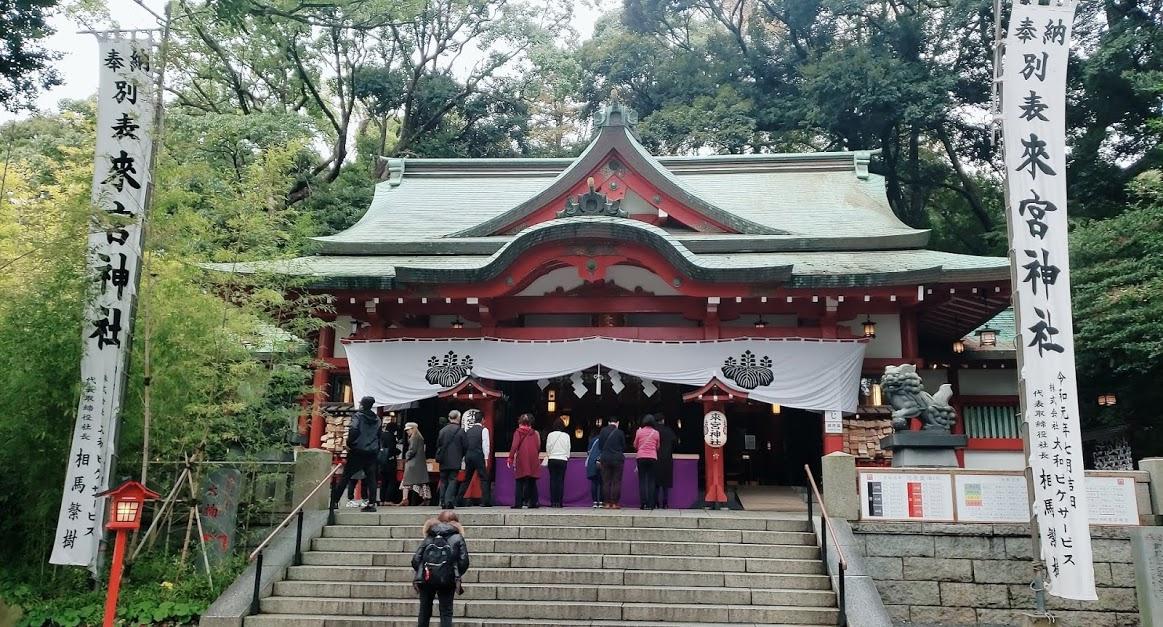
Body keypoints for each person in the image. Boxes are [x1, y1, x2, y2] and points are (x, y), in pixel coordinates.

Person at [412, 510, 470, 627]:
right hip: (447, 580)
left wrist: (424, 571)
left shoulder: (430, 535)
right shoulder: (457, 537)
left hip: (427, 578)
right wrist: (454, 572)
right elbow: (464, 561)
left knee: (424, 611)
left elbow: (416, 559)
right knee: (446, 612)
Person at [329, 396, 381, 513]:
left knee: (346, 476)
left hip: (357, 450)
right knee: (371, 478)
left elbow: (354, 430)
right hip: (372, 451)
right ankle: (371, 503)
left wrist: (350, 443)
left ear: (362, 404)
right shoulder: (377, 419)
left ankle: (335, 501)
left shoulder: (358, 416)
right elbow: (379, 434)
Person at [456, 409, 492, 507]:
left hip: (468, 456)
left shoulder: (468, 431)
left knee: (466, 478)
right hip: (478, 455)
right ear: (483, 420)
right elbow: (486, 445)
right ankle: (486, 501)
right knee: (484, 478)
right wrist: (486, 458)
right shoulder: (484, 430)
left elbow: (464, 444)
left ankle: (459, 500)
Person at [508, 413, 541, 508]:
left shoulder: (518, 432)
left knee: (519, 480)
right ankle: (534, 502)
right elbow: (538, 446)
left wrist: (510, 457)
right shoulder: (535, 433)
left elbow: (514, 445)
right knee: (532, 480)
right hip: (533, 457)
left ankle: (518, 503)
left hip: (522, 457)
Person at [436, 410, 466, 509]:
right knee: (452, 480)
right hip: (455, 459)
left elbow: (438, 445)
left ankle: (442, 501)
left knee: (443, 480)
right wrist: (461, 455)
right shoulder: (460, 431)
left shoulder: (442, 430)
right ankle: (449, 501)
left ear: (449, 418)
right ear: (459, 418)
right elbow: (466, 445)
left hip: (443, 459)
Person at [399, 422, 432, 506]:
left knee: (406, 481)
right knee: (422, 482)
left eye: (408, 430)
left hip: (413, 463)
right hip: (419, 463)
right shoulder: (420, 437)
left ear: (413, 429)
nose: (407, 431)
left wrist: (407, 456)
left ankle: (405, 499)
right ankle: (426, 498)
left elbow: (412, 450)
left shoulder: (414, 438)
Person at [596, 416, 625, 509]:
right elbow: (623, 446)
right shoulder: (620, 432)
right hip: (617, 459)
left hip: (605, 458)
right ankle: (615, 503)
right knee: (616, 481)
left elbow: (600, 446)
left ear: (609, 423)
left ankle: (607, 503)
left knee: (606, 481)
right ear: (617, 423)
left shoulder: (603, 431)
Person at [634, 414, 661, 510]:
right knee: (651, 481)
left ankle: (643, 503)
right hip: (652, 457)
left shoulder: (639, 432)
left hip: (641, 457)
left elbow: (635, 445)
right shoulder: (656, 433)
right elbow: (658, 446)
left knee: (642, 480)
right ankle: (651, 504)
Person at [654, 414, 679, 509]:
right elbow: (675, 442)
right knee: (665, 484)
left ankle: (655, 503)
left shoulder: (653, 431)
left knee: (655, 483)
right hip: (667, 458)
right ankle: (665, 503)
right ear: (663, 420)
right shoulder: (668, 430)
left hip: (655, 458)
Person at [378, 412, 402, 506]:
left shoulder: (382, 435)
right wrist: (398, 452)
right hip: (390, 461)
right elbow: (392, 449)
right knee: (391, 481)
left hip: (381, 461)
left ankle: (382, 499)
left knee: (383, 481)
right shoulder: (391, 436)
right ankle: (388, 499)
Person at [545, 418, 570, 507]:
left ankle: (553, 502)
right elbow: (568, 448)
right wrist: (566, 456)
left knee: (553, 480)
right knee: (560, 481)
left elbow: (547, 448)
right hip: (562, 459)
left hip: (552, 458)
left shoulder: (550, 435)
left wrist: (549, 455)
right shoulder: (566, 436)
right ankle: (559, 502)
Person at [585, 427, 603, 508]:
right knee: (602, 482)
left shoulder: (592, 440)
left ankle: (595, 502)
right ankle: (602, 502)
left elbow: (588, 452)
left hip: (592, 463)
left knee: (594, 482)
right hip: (602, 462)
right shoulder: (604, 440)